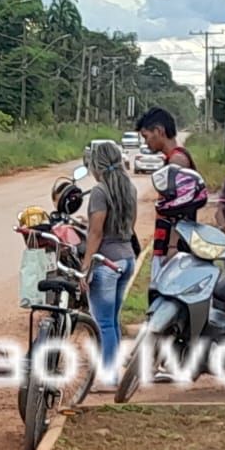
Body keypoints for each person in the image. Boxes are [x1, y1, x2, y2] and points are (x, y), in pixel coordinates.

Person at [80, 140, 138, 385]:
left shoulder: (100, 192)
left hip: (106, 263)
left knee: (102, 323)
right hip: (127, 259)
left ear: (96, 164)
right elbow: (128, 226)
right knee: (112, 320)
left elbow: (96, 233)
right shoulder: (130, 188)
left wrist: (85, 268)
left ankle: (108, 377)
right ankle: (112, 375)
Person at [137, 107, 198, 272]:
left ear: (158, 131)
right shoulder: (172, 159)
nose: (145, 143)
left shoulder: (177, 161)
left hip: (172, 245)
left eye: (146, 137)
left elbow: (180, 207)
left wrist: (172, 246)